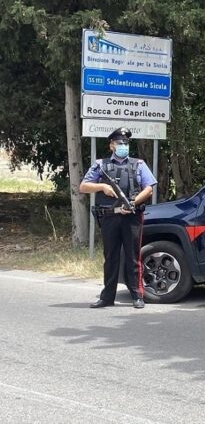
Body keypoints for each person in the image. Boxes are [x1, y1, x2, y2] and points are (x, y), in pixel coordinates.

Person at [80, 127, 157, 309]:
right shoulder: (100, 165)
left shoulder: (139, 164)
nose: (123, 146)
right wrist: (102, 188)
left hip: (132, 216)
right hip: (109, 217)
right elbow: (83, 186)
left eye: (126, 143)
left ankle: (137, 296)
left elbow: (149, 188)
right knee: (111, 257)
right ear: (111, 146)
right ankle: (107, 297)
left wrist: (132, 202)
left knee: (133, 257)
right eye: (120, 143)